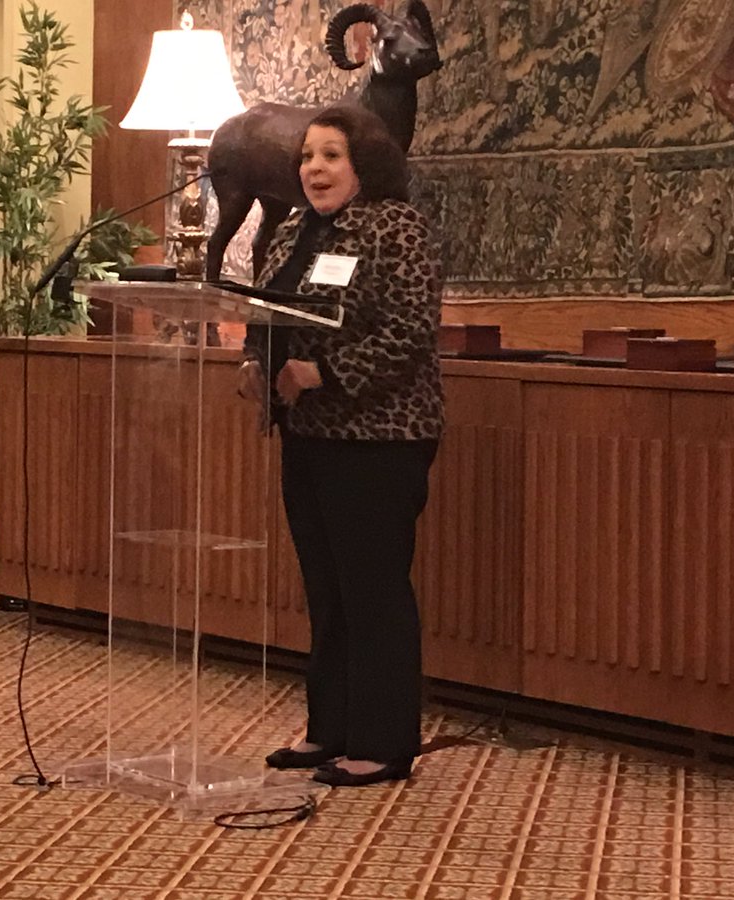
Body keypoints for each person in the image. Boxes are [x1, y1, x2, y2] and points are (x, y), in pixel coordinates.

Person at [236, 105, 444, 788]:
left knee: (372, 588)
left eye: (330, 156)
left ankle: (383, 743)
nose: (314, 169)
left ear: (363, 163)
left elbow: (410, 331)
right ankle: (331, 730)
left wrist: (324, 372)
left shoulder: (395, 228)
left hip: (379, 437)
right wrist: (256, 360)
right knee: (325, 590)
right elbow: (265, 310)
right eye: (307, 157)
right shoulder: (296, 227)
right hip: (309, 433)